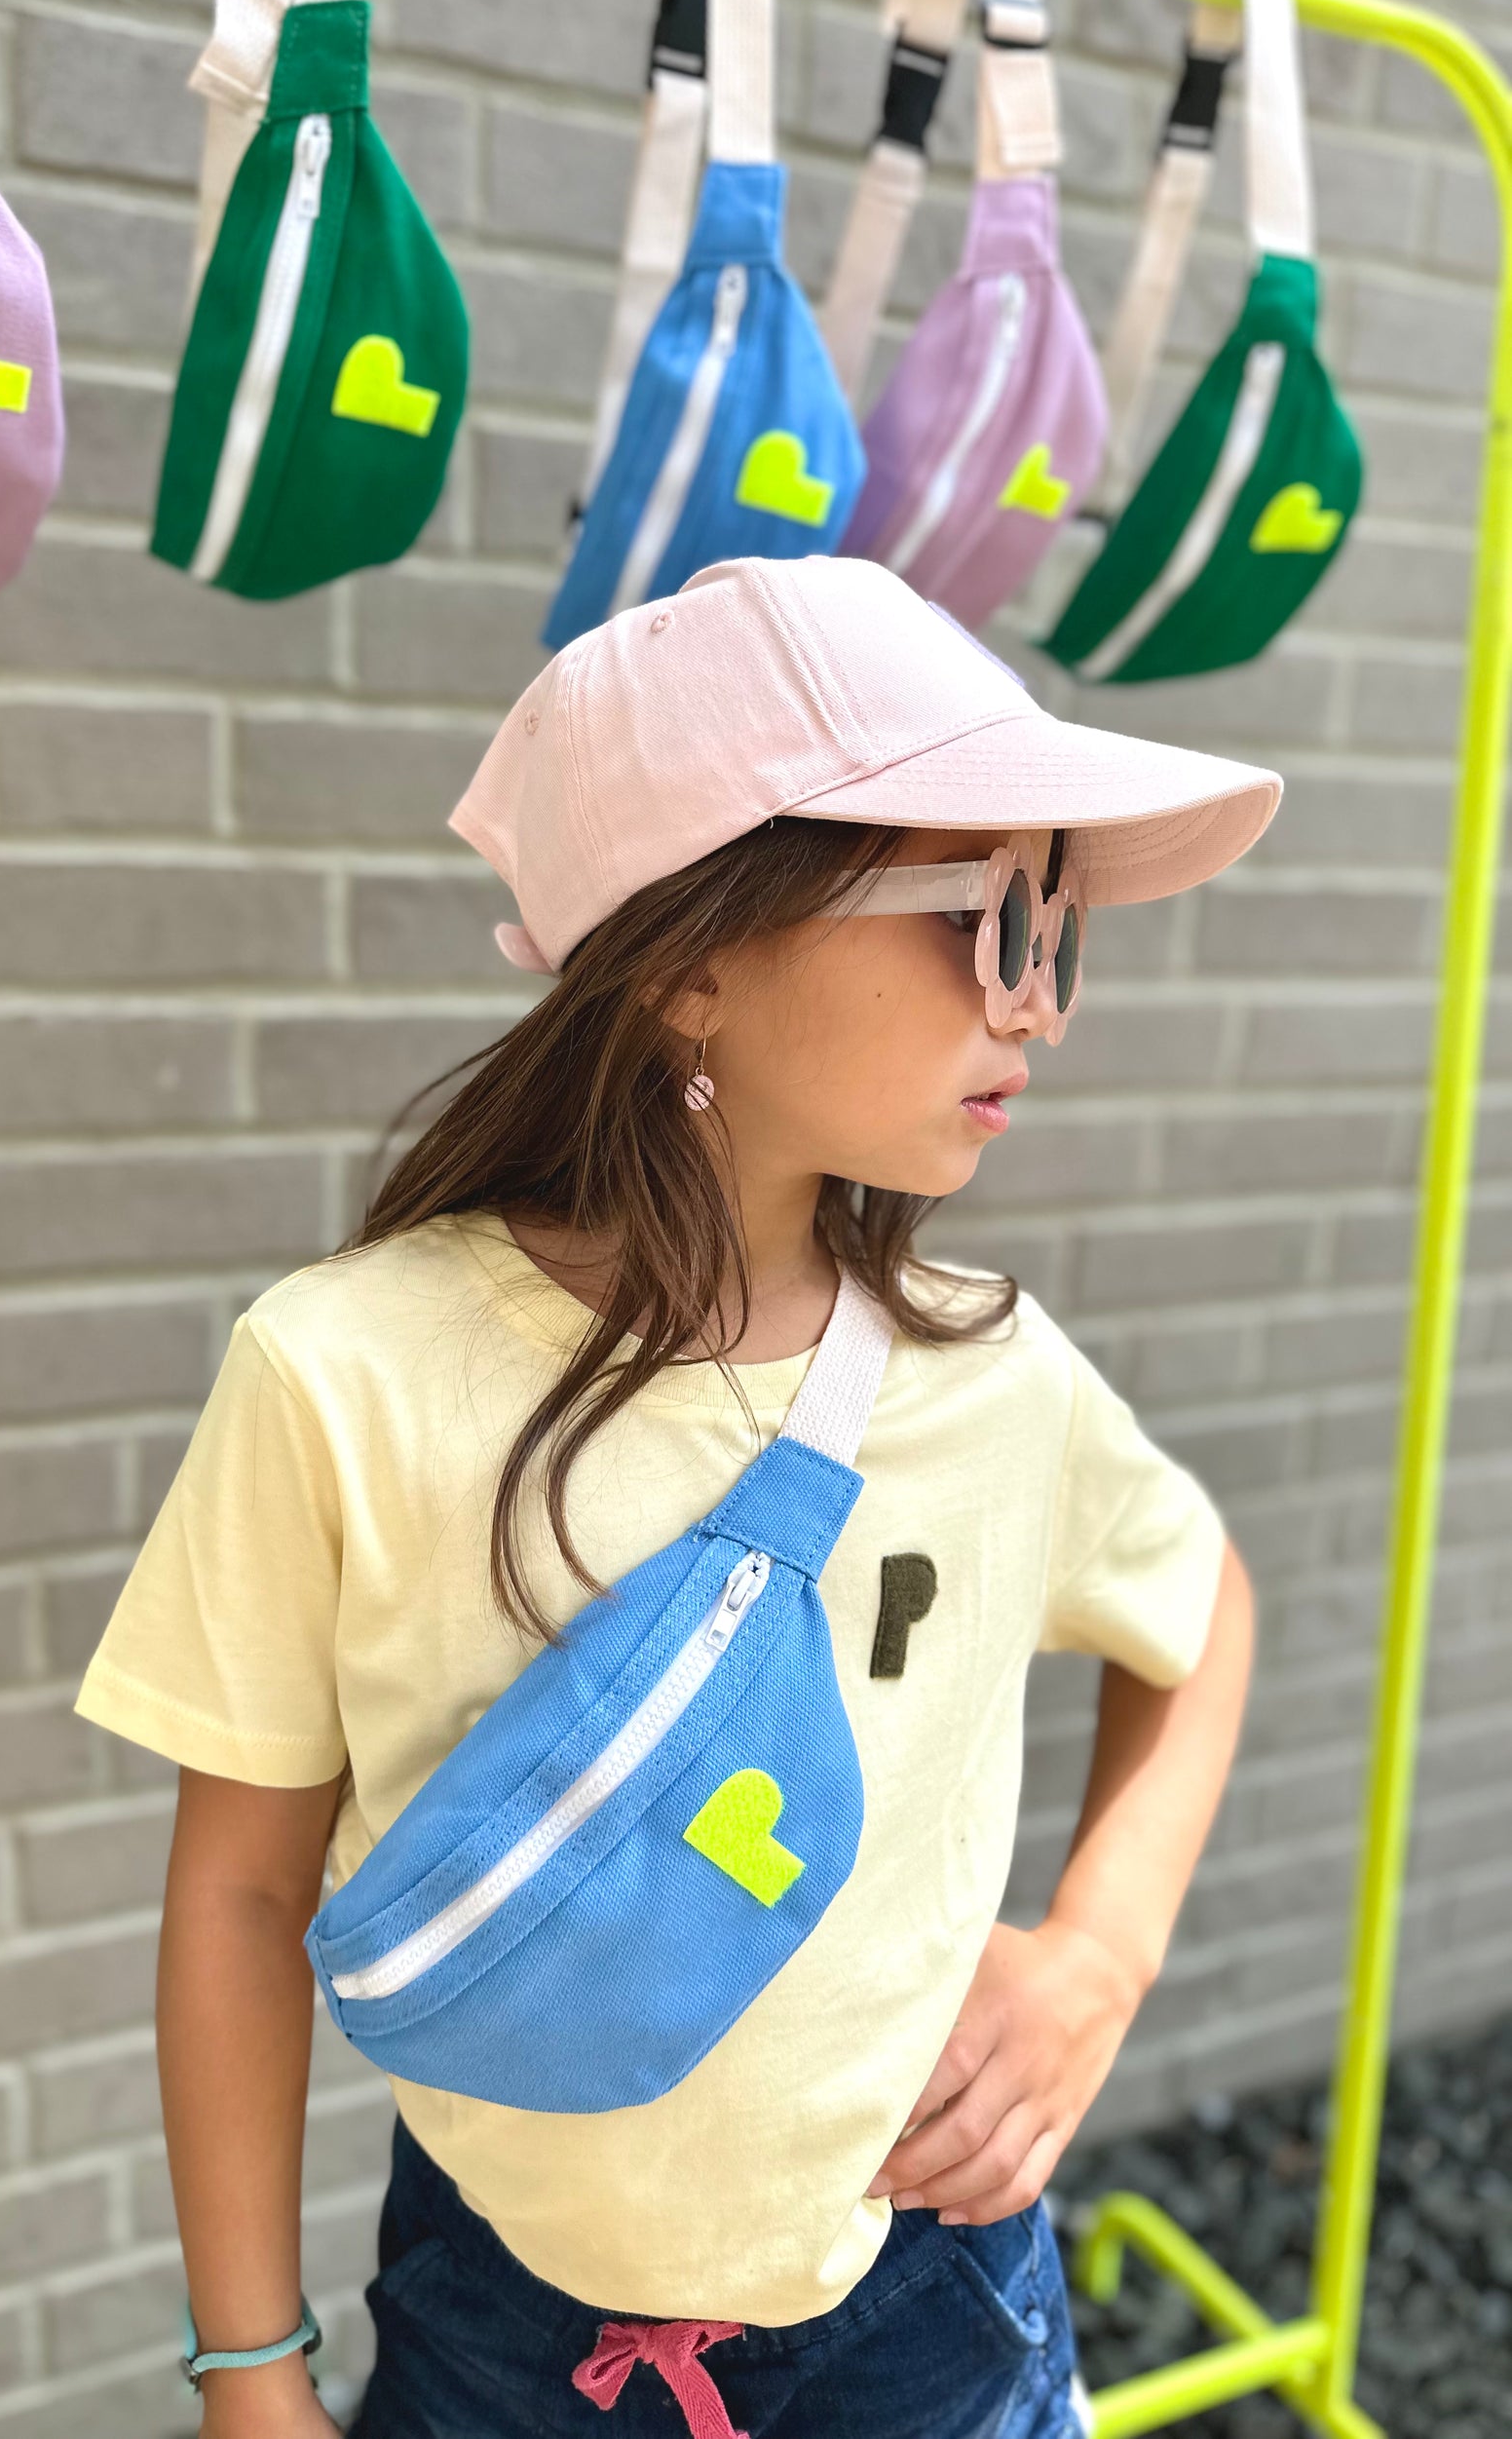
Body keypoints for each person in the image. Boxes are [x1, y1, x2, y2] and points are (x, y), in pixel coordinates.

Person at [75, 556, 1273, 2439]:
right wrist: (250, 2372)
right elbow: (237, 1891)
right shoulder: (343, 1376)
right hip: (497, 2322)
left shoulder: (997, 1376)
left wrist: (1093, 1964)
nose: (1037, 1007)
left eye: (1059, 932)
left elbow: (1198, 1614)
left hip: (935, 2307)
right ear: (687, 960)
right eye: (987, 919)